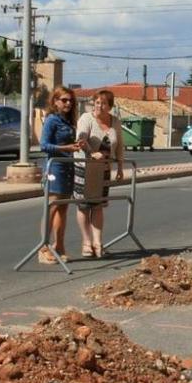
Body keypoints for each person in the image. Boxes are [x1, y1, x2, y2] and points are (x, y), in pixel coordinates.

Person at [74, 90, 125, 258]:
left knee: (98, 206)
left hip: (104, 169)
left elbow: (119, 145)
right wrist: (91, 152)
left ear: (110, 106)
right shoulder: (86, 119)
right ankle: (86, 242)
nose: (99, 106)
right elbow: (81, 140)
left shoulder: (115, 122)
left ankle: (98, 242)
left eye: (103, 103)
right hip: (85, 167)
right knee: (84, 205)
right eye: (97, 102)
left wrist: (120, 167)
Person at [38, 86, 83, 264]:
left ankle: (59, 246)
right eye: (64, 100)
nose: (68, 103)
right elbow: (44, 145)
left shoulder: (68, 121)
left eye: (70, 100)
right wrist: (66, 148)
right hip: (55, 168)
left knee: (63, 209)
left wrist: (78, 144)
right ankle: (43, 248)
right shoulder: (52, 120)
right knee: (51, 207)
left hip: (68, 167)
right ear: (55, 101)